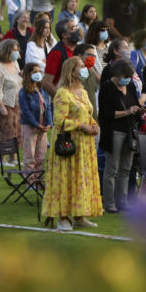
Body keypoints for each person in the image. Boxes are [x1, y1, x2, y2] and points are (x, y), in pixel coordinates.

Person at [42, 56, 103, 231]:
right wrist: (80, 125)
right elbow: (59, 121)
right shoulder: (63, 93)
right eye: (81, 66)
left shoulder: (83, 92)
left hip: (86, 144)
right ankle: (63, 217)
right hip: (70, 144)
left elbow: (88, 113)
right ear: (72, 71)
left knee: (82, 179)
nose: (85, 69)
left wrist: (93, 124)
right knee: (67, 179)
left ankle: (79, 215)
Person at [99, 59, 142, 213]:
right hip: (113, 131)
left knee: (126, 168)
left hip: (129, 130)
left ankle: (122, 201)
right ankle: (109, 203)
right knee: (112, 168)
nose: (127, 79)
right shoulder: (107, 87)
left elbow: (135, 103)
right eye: (125, 76)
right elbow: (104, 114)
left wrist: (139, 110)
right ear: (116, 74)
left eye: (129, 76)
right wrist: (127, 112)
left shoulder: (129, 85)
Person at [0, 39, 23, 163]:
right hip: (4, 103)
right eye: (13, 50)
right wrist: (0, 105)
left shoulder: (15, 63)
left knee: (16, 131)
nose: (16, 52)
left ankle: (13, 158)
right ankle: (2, 159)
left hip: (17, 102)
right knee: (5, 131)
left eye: (16, 49)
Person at [18, 63, 52, 175]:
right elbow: (26, 111)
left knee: (41, 156)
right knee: (30, 156)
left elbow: (48, 108)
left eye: (39, 71)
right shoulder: (24, 92)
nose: (38, 74)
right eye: (34, 72)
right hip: (30, 127)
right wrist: (36, 124)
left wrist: (49, 123)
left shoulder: (42, 90)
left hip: (43, 127)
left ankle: (38, 180)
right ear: (28, 74)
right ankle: (30, 181)